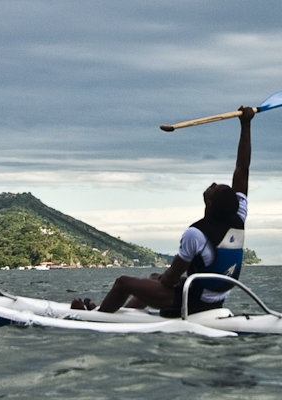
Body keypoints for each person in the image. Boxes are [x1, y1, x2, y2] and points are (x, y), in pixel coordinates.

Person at [71, 106, 254, 316]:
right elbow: (242, 168)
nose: (213, 184)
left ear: (210, 203)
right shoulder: (238, 216)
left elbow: (171, 279)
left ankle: (96, 317)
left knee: (123, 282)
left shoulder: (196, 234)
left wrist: (163, 280)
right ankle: (122, 313)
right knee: (151, 279)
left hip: (193, 302)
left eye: (215, 188)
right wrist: (246, 124)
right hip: (215, 298)